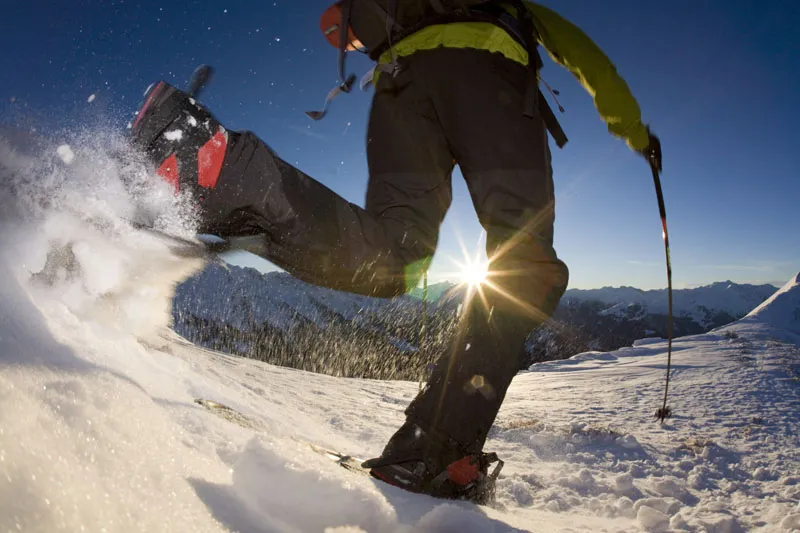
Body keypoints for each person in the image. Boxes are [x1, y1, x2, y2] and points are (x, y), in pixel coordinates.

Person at [131, 0, 661, 502]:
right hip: (493, 87)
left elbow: (349, 29)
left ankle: (218, 169)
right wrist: (634, 130)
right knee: (524, 269)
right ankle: (432, 455)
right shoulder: (511, 7)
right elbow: (588, 58)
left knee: (397, 254)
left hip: (403, 85)